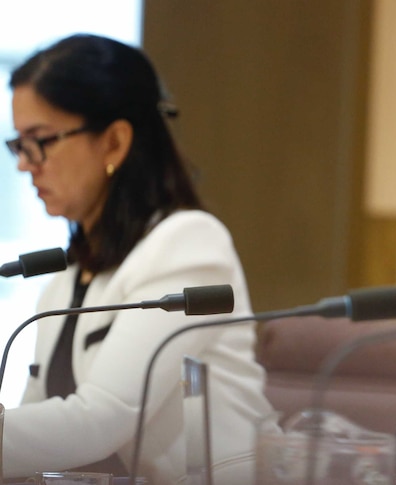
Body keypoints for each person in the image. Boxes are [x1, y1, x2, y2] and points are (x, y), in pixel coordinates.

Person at [2, 34, 272, 483]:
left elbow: (104, 417)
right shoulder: (63, 278)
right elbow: (35, 428)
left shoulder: (189, 242)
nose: (24, 164)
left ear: (113, 142)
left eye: (40, 141)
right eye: (19, 144)